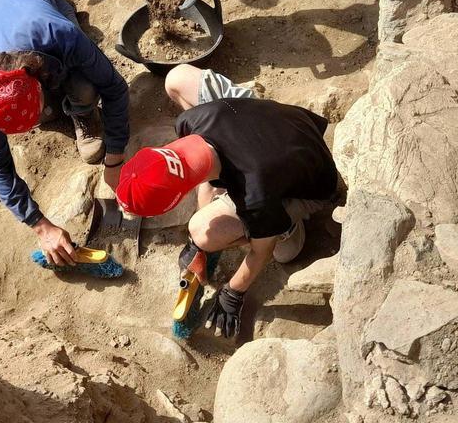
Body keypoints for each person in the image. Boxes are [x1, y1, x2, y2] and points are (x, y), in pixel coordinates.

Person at [115, 65, 340, 339]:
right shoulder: (192, 120)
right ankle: (257, 215)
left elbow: (262, 252)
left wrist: (233, 291)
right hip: (272, 124)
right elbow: (200, 170)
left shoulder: (254, 193)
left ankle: (288, 228)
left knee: (274, 249)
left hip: (315, 181)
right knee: (176, 79)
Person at [0, 0, 129, 266]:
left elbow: (115, 88)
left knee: (84, 87)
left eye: (37, 114)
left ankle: (82, 113)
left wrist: (114, 159)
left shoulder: (58, 34)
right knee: (56, 103)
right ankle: (56, 106)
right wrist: (41, 225)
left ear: (36, 81)